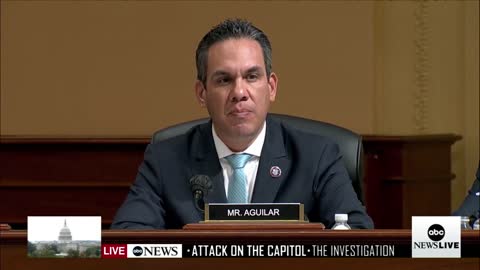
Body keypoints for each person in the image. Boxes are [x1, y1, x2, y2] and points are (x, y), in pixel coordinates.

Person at [111, 18, 373, 229]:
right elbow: (127, 238)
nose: (239, 92)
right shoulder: (165, 159)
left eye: (251, 76)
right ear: (202, 93)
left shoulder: (317, 156)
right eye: (224, 80)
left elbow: (357, 232)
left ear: (271, 87)